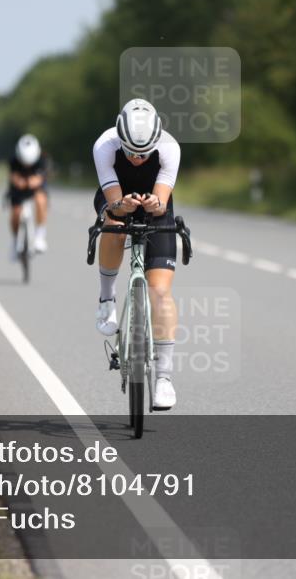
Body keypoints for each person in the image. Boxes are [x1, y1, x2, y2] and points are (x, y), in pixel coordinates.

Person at [92, 98, 181, 410]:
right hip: (116, 199)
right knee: (113, 223)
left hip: (156, 207)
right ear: (120, 138)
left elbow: (161, 197)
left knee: (160, 292)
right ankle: (106, 299)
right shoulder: (104, 145)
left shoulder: (170, 147)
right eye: (130, 152)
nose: (137, 159)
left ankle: (164, 379)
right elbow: (113, 200)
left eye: (143, 153)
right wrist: (121, 206)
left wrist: (155, 204)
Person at [8, 134, 48, 256]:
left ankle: (40, 236)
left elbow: (41, 177)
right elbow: (13, 176)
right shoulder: (13, 159)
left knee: (41, 200)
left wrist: (34, 181)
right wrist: (18, 181)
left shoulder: (42, 159)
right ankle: (15, 240)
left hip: (35, 188)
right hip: (18, 189)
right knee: (16, 212)